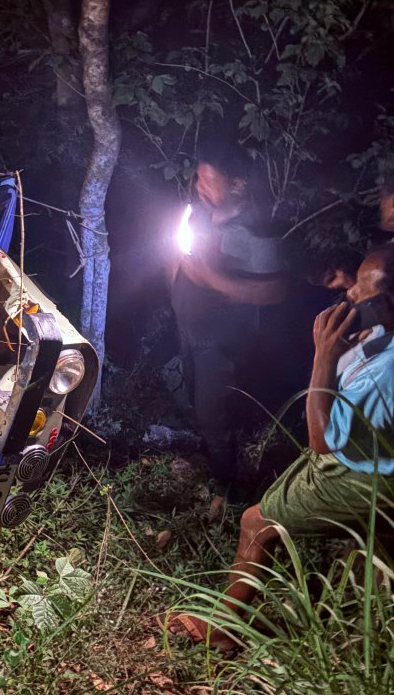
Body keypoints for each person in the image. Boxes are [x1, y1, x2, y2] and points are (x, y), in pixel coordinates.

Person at [162, 246, 394, 652]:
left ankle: (225, 627)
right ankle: (355, 643)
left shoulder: (388, 371)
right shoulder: (383, 334)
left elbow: (322, 443)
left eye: (362, 288)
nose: (351, 294)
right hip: (377, 458)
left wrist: (323, 355)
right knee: (372, 547)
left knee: (257, 521)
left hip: (358, 472)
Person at [170, 141, 288, 506]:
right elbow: (178, 255)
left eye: (209, 181)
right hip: (188, 329)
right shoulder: (200, 213)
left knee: (214, 413)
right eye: (198, 180)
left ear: (236, 185)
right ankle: (211, 458)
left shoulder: (257, 231)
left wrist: (210, 280)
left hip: (222, 342)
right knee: (191, 398)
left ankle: (231, 492)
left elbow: (274, 290)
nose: (200, 188)